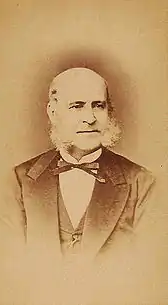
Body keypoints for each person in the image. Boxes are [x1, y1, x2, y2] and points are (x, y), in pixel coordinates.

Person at [13, 67, 155, 261]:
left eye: (98, 106)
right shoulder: (19, 180)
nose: (90, 118)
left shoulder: (142, 183)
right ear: (53, 112)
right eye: (77, 106)